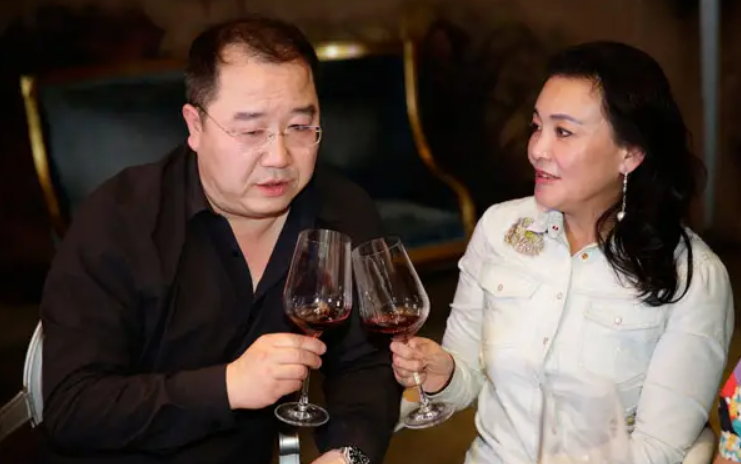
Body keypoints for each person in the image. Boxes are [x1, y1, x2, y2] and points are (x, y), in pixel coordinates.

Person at [40, 16, 400, 464]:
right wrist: (227, 386)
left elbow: (367, 364)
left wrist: (350, 454)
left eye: (299, 127)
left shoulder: (342, 211)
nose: (278, 157)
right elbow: (73, 406)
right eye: (251, 131)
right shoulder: (121, 221)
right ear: (195, 125)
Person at [391, 40, 734, 464]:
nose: (537, 148)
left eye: (564, 132)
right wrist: (443, 374)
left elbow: (658, 449)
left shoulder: (692, 277)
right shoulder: (500, 229)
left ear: (630, 153)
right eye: (537, 126)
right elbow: (468, 375)